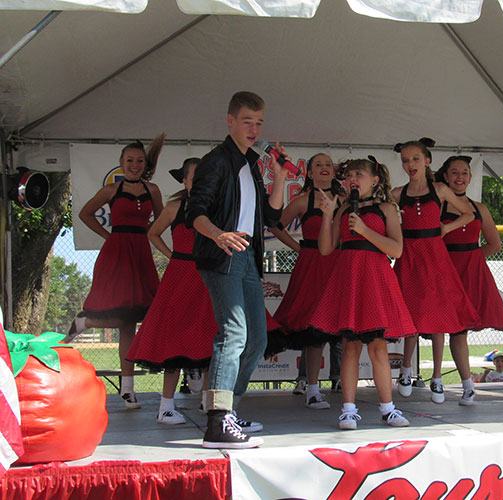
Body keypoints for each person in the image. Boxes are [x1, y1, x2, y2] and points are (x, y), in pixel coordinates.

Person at [186, 91, 286, 449]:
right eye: (247, 121)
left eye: (259, 123)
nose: (254, 129)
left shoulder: (250, 164)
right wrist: (219, 235)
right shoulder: (217, 161)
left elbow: (272, 216)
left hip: (246, 257)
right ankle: (217, 422)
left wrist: (278, 174)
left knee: (257, 339)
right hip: (222, 255)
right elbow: (193, 212)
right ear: (230, 121)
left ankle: (228, 411)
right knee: (233, 334)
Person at [310, 157, 415, 430]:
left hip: (376, 278)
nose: (353, 179)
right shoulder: (344, 209)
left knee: (378, 346)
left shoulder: (387, 209)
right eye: (349, 176)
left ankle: (388, 408)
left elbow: (396, 250)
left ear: (375, 180)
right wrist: (328, 214)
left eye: (360, 174)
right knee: (350, 347)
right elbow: (325, 248)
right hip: (350, 277)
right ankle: (347, 409)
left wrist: (365, 230)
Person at [67, 134, 165, 410]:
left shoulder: (153, 190)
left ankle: (128, 389)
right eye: (129, 160)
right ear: (121, 163)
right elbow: (85, 214)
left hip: (141, 253)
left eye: (139, 160)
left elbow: (160, 221)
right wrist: (108, 236)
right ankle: (85, 324)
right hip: (117, 254)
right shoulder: (112, 190)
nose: (134, 165)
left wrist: (147, 236)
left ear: (145, 163)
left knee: (134, 322)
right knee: (122, 319)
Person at [391, 138, 480, 406]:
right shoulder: (397, 194)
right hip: (410, 255)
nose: (410, 164)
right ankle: (406, 368)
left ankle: (437, 376)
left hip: (435, 255)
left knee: (438, 312)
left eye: (415, 159)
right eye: (405, 160)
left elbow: (469, 214)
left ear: (427, 161)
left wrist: (445, 229)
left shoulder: (440, 189)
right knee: (411, 311)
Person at [126, 158, 215, 424]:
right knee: (174, 339)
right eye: (195, 176)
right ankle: (166, 407)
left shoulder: (216, 207)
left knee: (211, 337)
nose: (199, 181)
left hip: (208, 276)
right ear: (185, 180)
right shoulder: (175, 207)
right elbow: (153, 234)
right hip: (180, 276)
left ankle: (209, 404)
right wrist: (174, 255)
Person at [270, 153, 343, 409]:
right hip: (312, 265)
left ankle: (345, 387)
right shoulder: (302, 201)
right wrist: (298, 248)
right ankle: (312, 389)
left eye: (328, 164)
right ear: (309, 173)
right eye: (318, 165)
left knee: (343, 328)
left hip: (340, 265)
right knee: (314, 329)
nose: (324, 168)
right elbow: (276, 225)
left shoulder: (345, 200)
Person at [435, 155, 503, 332]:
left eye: (464, 173)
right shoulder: (437, 205)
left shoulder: (480, 208)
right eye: (454, 173)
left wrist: (470, 258)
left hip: (472, 272)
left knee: (462, 329)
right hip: (445, 269)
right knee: (439, 324)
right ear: (446, 177)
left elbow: (495, 245)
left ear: (470, 177)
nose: (460, 177)